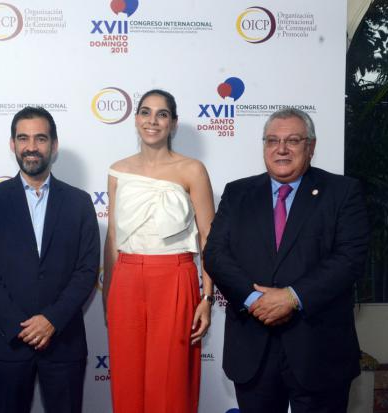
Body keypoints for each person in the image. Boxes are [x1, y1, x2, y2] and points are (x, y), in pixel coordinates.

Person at [204, 108, 370, 413]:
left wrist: (292, 297)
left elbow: (350, 259)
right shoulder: (238, 192)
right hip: (253, 349)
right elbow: (215, 254)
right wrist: (254, 299)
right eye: (272, 140)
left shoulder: (343, 192)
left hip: (319, 351)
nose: (281, 149)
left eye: (293, 140)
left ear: (311, 146)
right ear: (264, 146)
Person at [0, 106, 100, 413]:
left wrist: (52, 320)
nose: (31, 146)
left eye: (40, 138)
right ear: (12, 144)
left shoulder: (79, 202)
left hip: (64, 341)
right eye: (23, 138)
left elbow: (86, 269)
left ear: (54, 145)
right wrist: (22, 326)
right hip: (8, 341)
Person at [102, 89, 215, 413]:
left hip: (175, 277)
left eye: (162, 114)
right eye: (146, 112)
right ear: (136, 119)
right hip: (125, 279)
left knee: (172, 379)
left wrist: (206, 298)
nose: (153, 120)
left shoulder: (192, 169)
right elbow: (113, 236)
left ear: (173, 123)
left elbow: (208, 237)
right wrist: (108, 292)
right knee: (127, 377)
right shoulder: (117, 170)